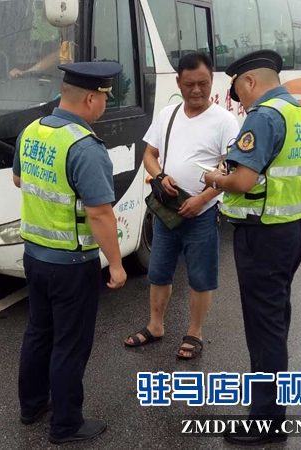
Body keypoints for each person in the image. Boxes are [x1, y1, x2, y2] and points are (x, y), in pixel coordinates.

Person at [12, 61, 127, 445]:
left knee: (39, 332)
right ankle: (66, 425)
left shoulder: (32, 130)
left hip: (35, 256)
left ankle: (32, 406)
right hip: (72, 263)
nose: (106, 105)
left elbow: (19, 178)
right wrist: (116, 265)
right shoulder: (85, 146)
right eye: (106, 98)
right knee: (70, 344)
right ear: (91, 99)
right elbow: (100, 213)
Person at [203, 50, 301, 445]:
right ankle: (272, 411)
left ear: (249, 81)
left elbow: (243, 181)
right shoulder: (297, 113)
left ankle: (266, 422)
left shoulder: (264, 116)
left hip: (263, 235)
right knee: (276, 321)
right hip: (291, 229)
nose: (239, 102)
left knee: (264, 329)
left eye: (238, 92)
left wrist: (214, 178)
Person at [124, 52, 240, 359]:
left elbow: (231, 170)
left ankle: (194, 332)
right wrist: (160, 176)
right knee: (158, 272)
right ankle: (156, 325)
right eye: (189, 84)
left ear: (212, 80)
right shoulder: (168, 114)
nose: (196, 90)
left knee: (200, 278)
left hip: (202, 214)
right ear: (178, 82)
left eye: (203, 83)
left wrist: (201, 200)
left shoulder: (225, 121)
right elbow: (149, 155)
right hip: (167, 211)